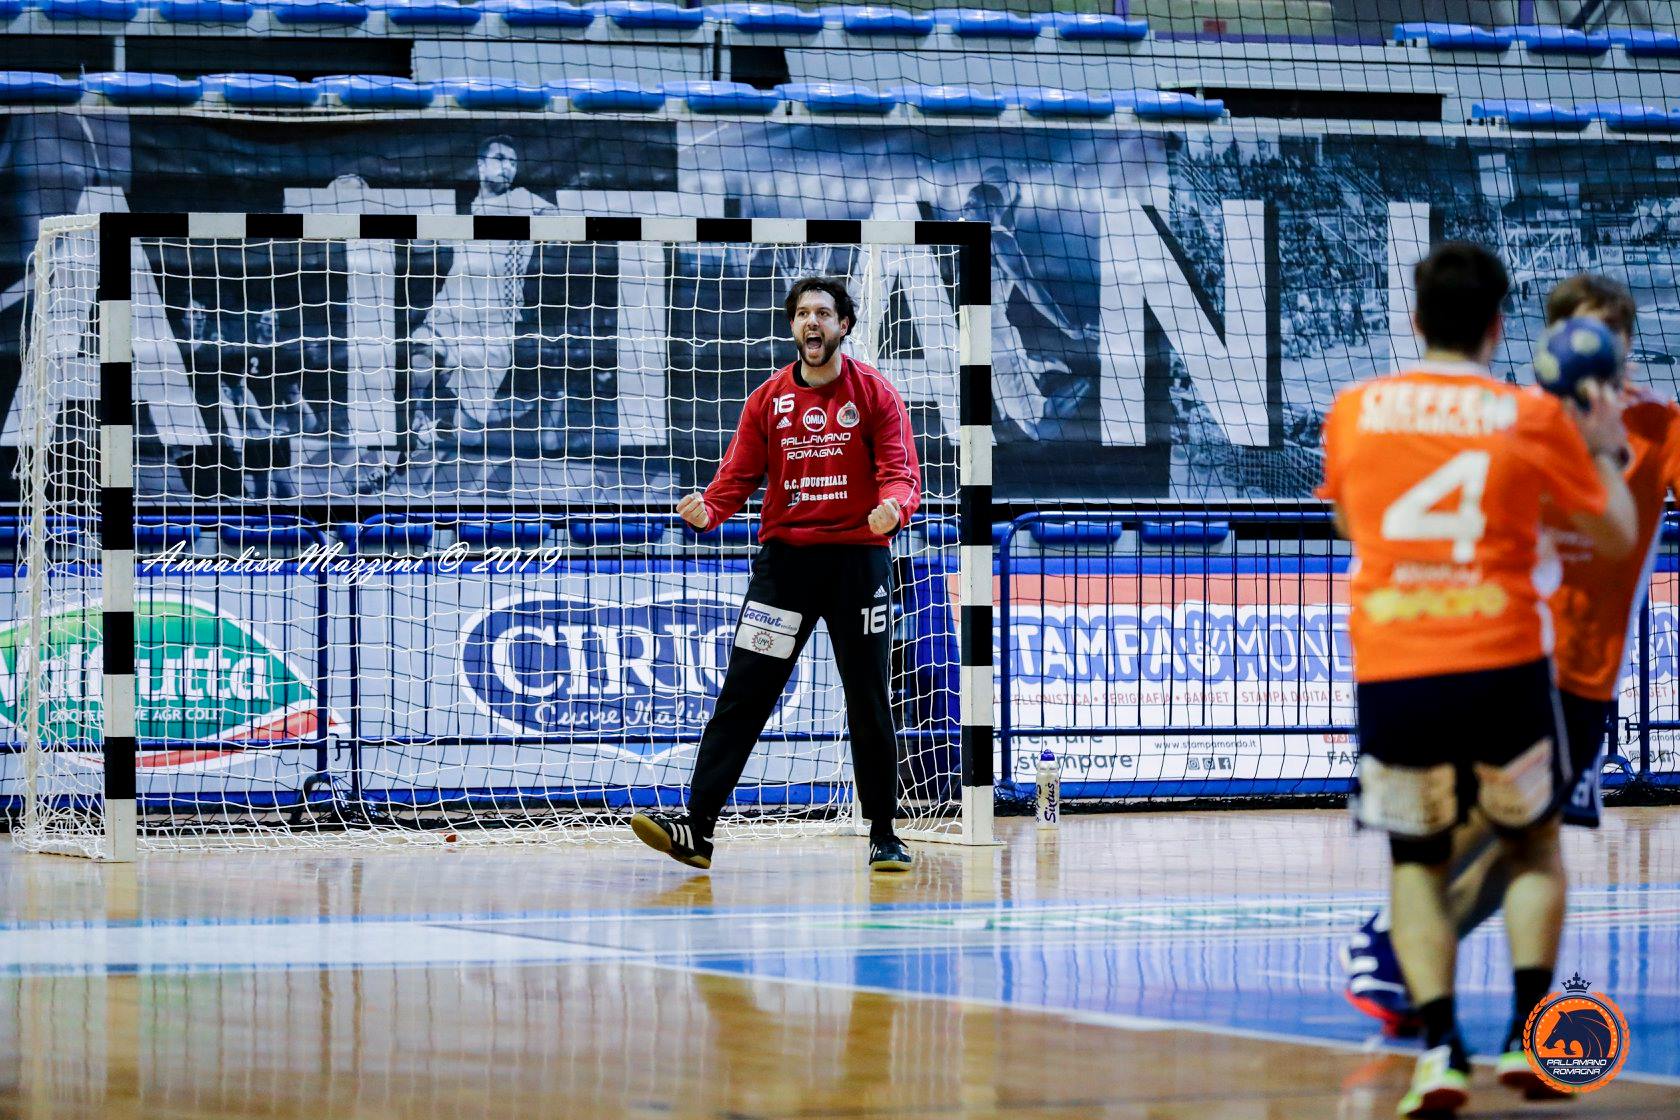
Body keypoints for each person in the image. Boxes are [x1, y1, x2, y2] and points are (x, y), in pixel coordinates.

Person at [1316, 243, 1637, 1118]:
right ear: (1501, 327)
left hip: (1396, 669)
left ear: (1415, 318)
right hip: (1504, 662)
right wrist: (1604, 447)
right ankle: (1533, 1031)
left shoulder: (1355, 410)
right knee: (1532, 844)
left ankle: (1442, 1054)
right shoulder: (1523, 418)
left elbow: (1350, 518)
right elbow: (1611, 534)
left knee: (1415, 861)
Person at [630, 277, 921, 874]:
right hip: (784, 570)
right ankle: (697, 830)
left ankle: (884, 834)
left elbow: (901, 471)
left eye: (824, 314)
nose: (812, 323)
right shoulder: (768, 400)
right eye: (802, 314)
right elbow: (737, 475)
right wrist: (709, 507)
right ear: (793, 328)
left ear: (844, 326)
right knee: (744, 695)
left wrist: (895, 507)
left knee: (868, 700)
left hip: (857, 563)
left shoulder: (874, 395)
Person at [415, 135, 554, 449]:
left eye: (513, 161)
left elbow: (558, 219)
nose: (508, 166)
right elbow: (420, 244)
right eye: (500, 158)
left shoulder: (524, 200)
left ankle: (405, 454)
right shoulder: (463, 209)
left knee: (463, 424)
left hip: (495, 325)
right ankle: (412, 420)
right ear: (480, 165)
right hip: (451, 310)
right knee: (419, 354)